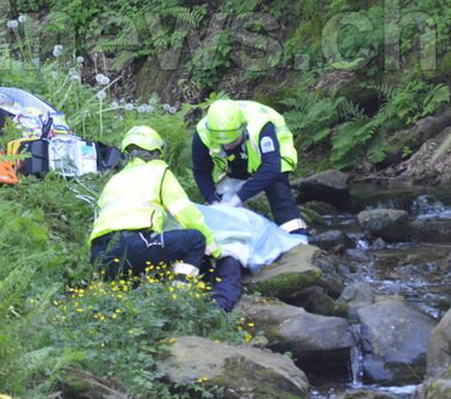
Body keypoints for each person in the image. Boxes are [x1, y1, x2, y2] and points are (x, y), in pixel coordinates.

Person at [89, 126, 240, 310]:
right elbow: (186, 213)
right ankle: (180, 300)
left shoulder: (115, 180)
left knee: (144, 266)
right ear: (156, 152)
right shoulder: (158, 172)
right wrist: (215, 250)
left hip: (99, 255)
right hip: (133, 243)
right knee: (195, 240)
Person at [192, 99, 308, 236]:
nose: (227, 146)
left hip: (272, 159)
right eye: (222, 143)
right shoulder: (203, 132)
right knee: (223, 199)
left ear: (242, 128)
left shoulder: (261, 126)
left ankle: (297, 237)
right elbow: (201, 172)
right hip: (234, 162)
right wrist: (213, 200)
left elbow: (272, 167)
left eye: (232, 141)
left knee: (278, 189)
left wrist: (238, 198)